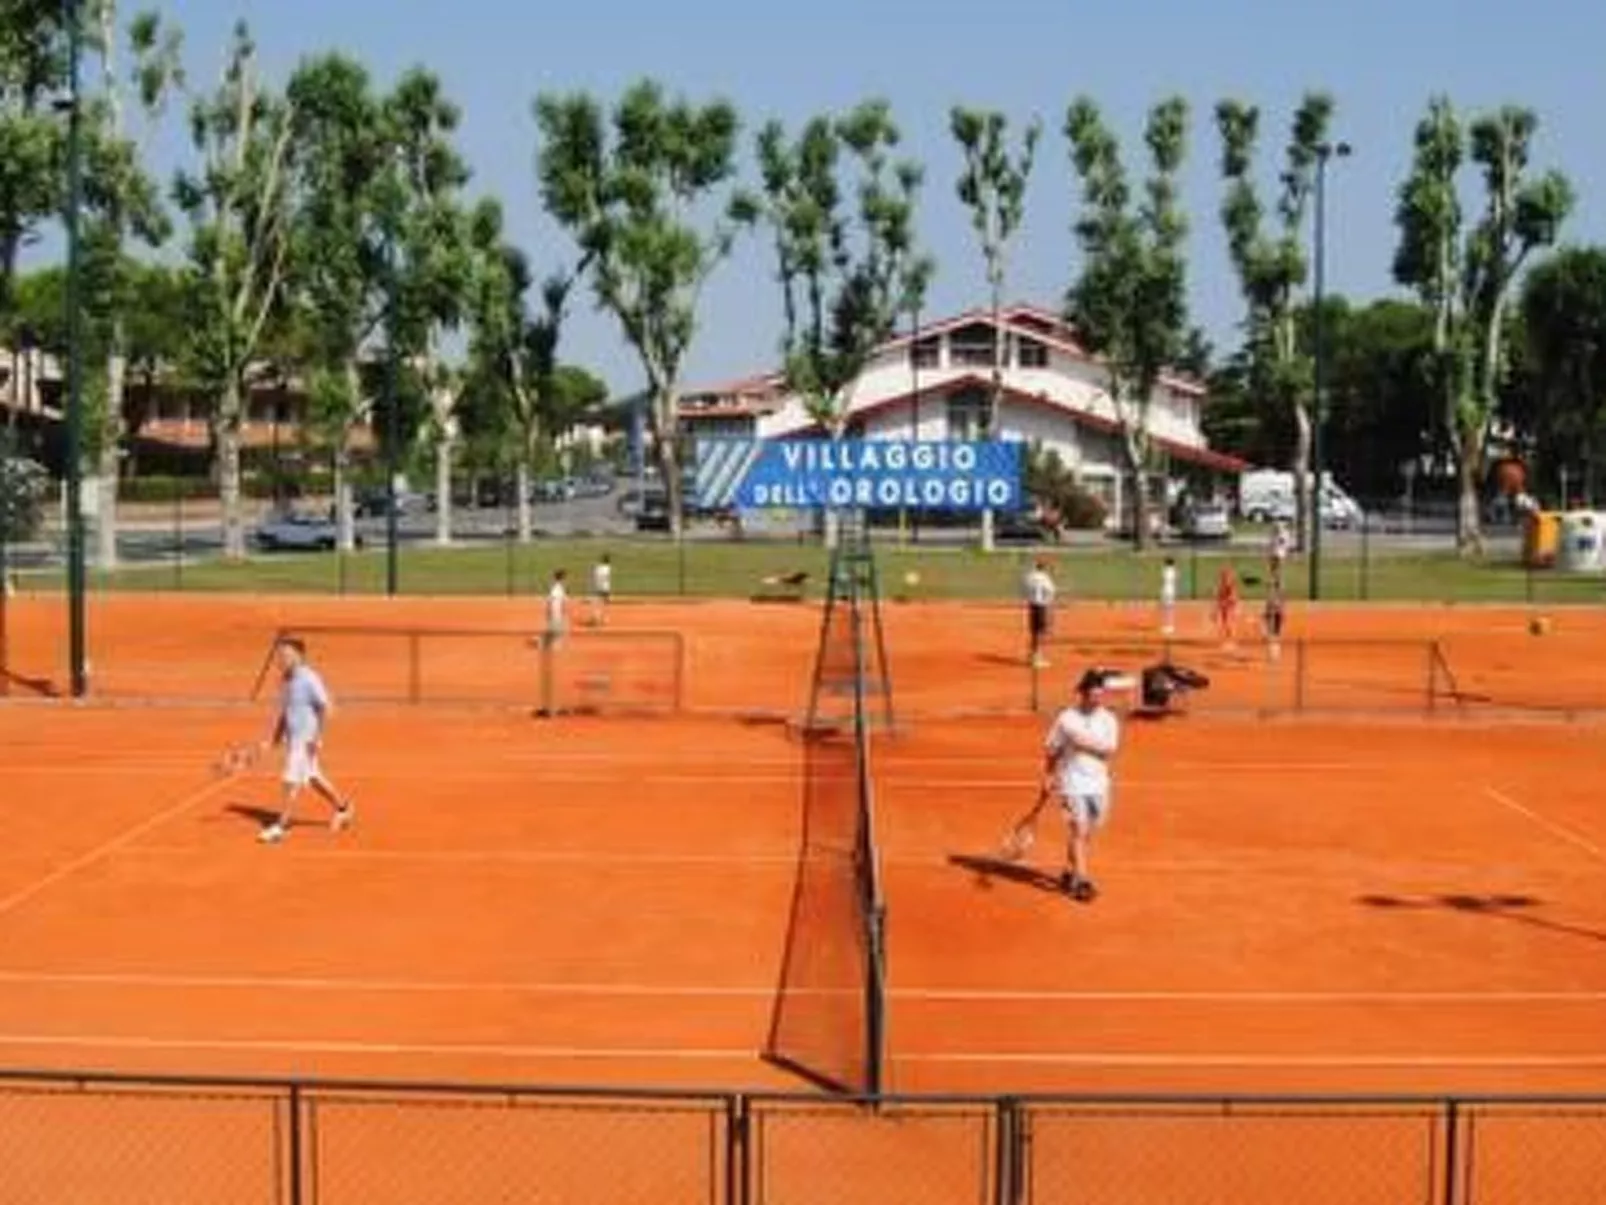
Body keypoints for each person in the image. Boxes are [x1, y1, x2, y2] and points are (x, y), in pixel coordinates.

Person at [257, 638, 354, 845]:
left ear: (300, 656)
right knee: (312, 778)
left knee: (290, 781)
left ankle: (280, 827)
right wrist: (275, 738)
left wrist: (317, 737)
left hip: (306, 740)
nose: (282, 659)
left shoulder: (310, 679)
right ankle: (343, 808)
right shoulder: (285, 680)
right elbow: (285, 711)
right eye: (280, 655)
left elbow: (325, 707)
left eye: (287, 655)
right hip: (294, 739)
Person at [1042, 668, 1121, 902]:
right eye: (1094, 695)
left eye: (1101, 695)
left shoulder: (1109, 719)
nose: (1098, 699)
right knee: (1078, 829)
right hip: (1071, 782)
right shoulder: (1066, 718)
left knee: (1089, 831)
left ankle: (1069, 871)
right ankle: (1083, 880)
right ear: (1083, 694)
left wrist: (1079, 741)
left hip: (1099, 784)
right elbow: (1052, 749)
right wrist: (1048, 776)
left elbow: (1109, 750)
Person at [1023, 558, 1057, 668]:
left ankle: (1033, 654)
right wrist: (1049, 602)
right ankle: (1037, 657)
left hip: (1032, 605)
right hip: (1042, 606)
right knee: (1041, 631)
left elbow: (1025, 588)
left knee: (1034, 631)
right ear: (1044, 568)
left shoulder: (1030, 576)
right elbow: (1051, 591)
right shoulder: (1045, 578)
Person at [1214, 565, 1240, 649]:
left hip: (1230, 607)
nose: (1224, 577)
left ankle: (1232, 641)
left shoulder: (1231, 585)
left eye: (1225, 575)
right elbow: (1218, 597)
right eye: (1223, 575)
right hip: (1224, 606)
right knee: (1223, 624)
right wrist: (1217, 606)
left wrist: (1226, 602)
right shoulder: (1221, 585)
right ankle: (1226, 641)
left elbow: (1234, 598)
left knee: (1229, 624)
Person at [1263, 573, 1286, 662]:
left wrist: (1277, 609)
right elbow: (1268, 604)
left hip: (1277, 614)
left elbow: (1281, 604)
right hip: (1271, 614)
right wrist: (1266, 613)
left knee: (1275, 635)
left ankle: (1274, 654)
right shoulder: (1271, 593)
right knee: (1271, 634)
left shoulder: (1279, 593)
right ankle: (1273, 654)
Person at [590, 554, 613, 627]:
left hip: (597, 587)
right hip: (605, 588)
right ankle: (603, 619)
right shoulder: (608, 568)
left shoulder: (598, 568)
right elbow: (607, 578)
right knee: (605, 604)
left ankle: (596, 618)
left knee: (597, 603)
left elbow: (594, 575)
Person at [1159, 556, 1178, 638]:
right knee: (1169, 609)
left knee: (1166, 609)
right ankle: (1169, 625)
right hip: (1171, 589)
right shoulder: (1174, 570)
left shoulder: (1166, 570)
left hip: (1166, 589)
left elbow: (1164, 578)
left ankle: (1168, 625)